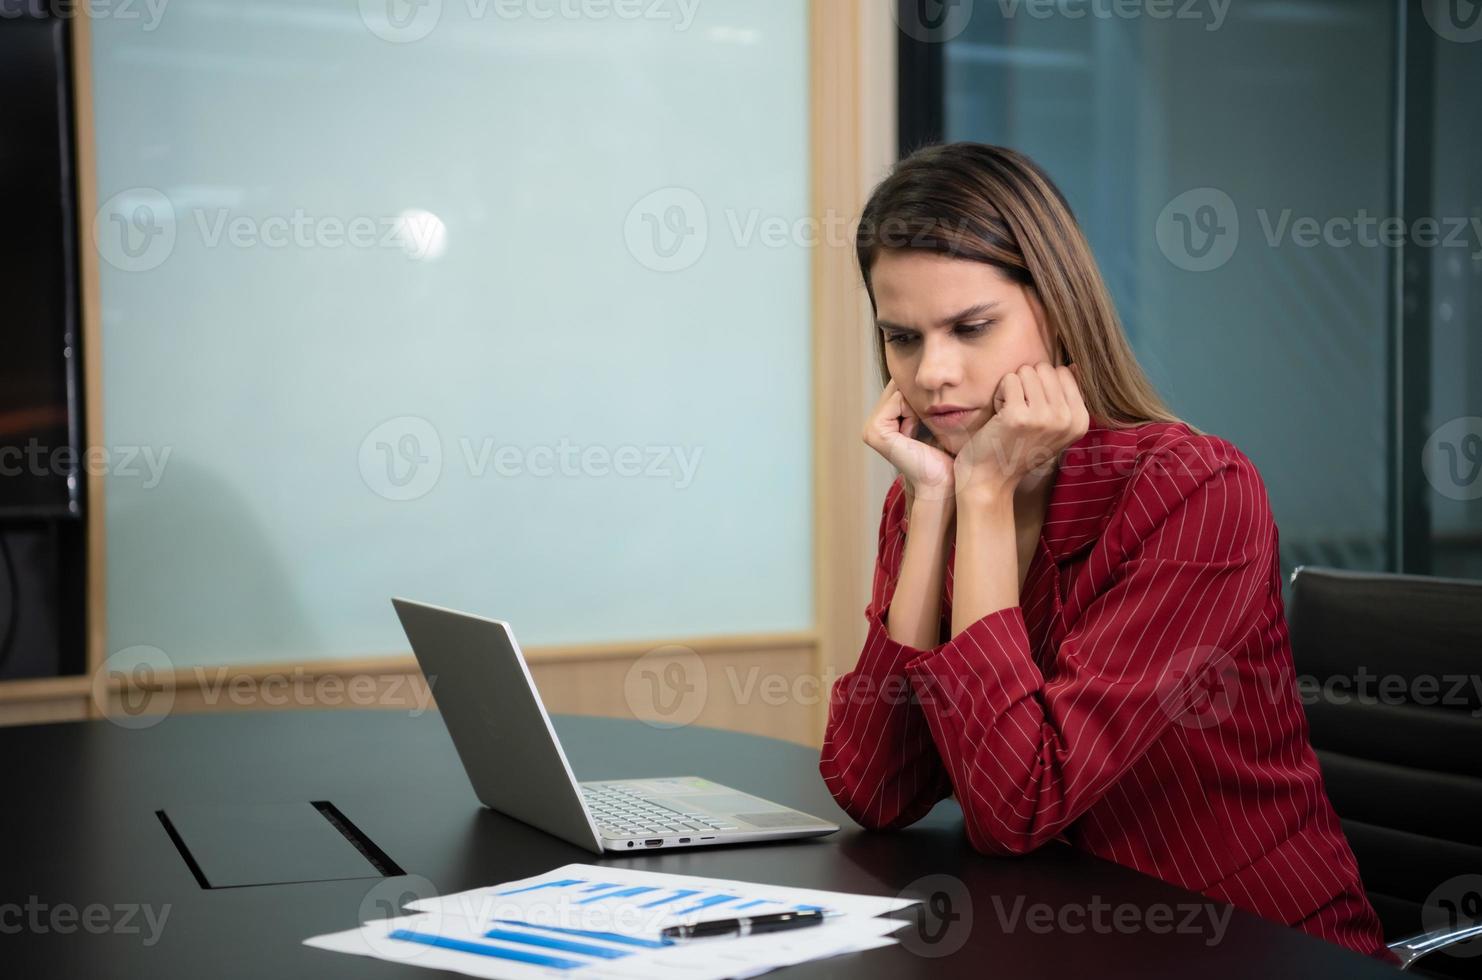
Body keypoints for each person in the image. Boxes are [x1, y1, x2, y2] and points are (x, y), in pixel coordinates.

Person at [818, 142, 1396, 963]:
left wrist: (980, 498)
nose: (933, 373)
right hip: (1064, 935)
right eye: (902, 338)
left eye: (971, 327)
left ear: (1055, 308)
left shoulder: (1196, 491)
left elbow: (1015, 807)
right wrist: (936, 505)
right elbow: (875, 789)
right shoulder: (931, 489)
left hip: (1252, 944)